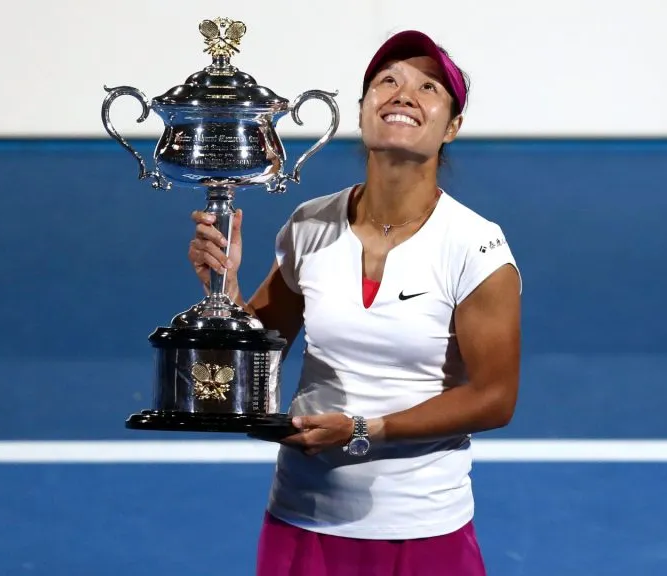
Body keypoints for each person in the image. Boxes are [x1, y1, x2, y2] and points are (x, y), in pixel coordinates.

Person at [188, 30, 522, 576]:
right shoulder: (309, 223)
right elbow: (249, 370)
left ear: (452, 127)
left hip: (421, 533)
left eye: (428, 86)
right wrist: (223, 292)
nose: (403, 93)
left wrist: (365, 428)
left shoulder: (477, 247)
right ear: (363, 111)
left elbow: (494, 398)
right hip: (303, 521)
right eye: (386, 81)